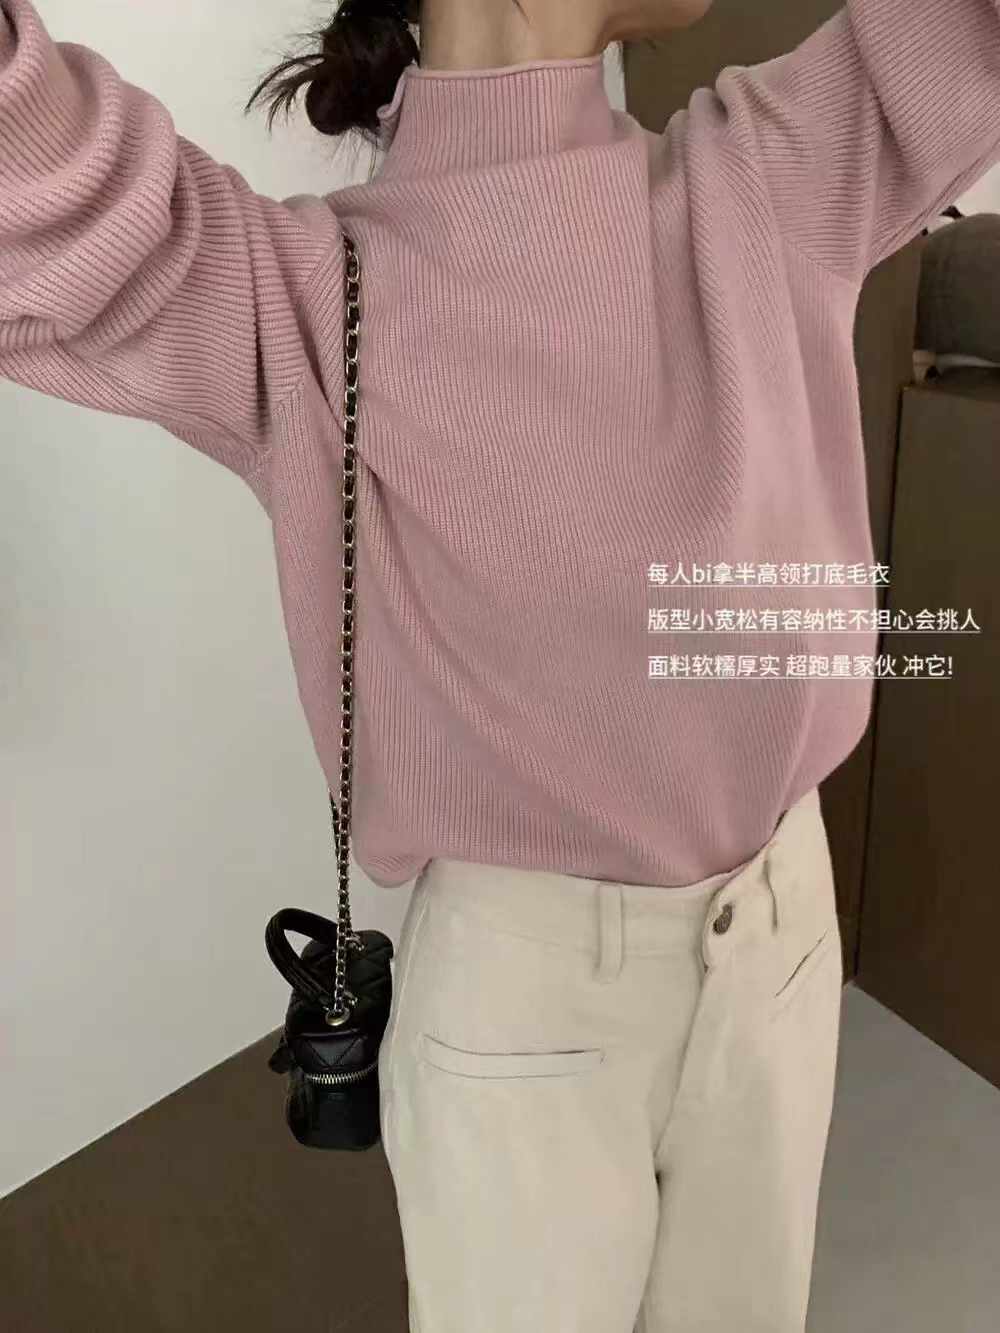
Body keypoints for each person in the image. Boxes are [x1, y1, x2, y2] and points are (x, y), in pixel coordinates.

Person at [2, 1, 998, 1329]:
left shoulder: (771, 169)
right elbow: (35, 193)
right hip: (520, 1006)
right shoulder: (298, 297)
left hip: (781, 933)